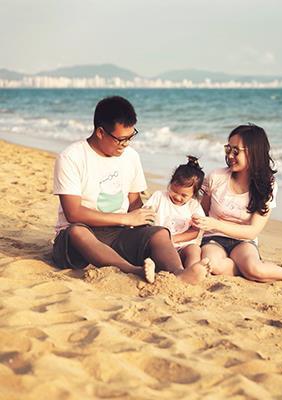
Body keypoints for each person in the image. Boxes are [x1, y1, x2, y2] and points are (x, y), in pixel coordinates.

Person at [52, 96, 201, 284]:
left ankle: (179, 273)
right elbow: (73, 213)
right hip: (79, 236)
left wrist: (146, 229)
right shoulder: (71, 157)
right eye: (121, 139)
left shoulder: (130, 156)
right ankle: (135, 271)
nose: (126, 144)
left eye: (130, 137)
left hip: (117, 233)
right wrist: (125, 219)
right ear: (100, 132)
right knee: (76, 232)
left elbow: (134, 203)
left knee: (159, 233)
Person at [193, 124, 282, 283]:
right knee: (213, 266)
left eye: (236, 151)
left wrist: (215, 223)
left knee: (254, 269)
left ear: (254, 152)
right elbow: (202, 213)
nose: (230, 155)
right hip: (213, 239)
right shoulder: (216, 176)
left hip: (244, 242)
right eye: (228, 149)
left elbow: (252, 231)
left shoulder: (267, 185)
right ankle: (245, 270)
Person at [144, 156, 210, 281]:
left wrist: (174, 239)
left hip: (182, 245)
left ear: (194, 194)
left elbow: (195, 231)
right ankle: (156, 268)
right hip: (161, 245)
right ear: (170, 183)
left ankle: (193, 270)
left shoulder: (193, 206)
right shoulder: (159, 197)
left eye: (184, 195)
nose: (178, 197)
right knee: (153, 252)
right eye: (174, 191)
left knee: (194, 249)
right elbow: (146, 215)